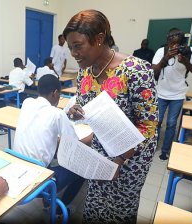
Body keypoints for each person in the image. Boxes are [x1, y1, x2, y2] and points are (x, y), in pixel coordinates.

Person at [63, 9, 158, 223]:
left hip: (131, 160)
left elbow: (149, 127)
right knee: (95, 204)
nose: (74, 54)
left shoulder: (136, 70)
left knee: (119, 211)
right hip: (101, 153)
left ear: (99, 39)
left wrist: (120, 159)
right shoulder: (85, 71)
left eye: (78, 46)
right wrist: (76, 111)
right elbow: (87, 105)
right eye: (70, 48)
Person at [13, 74, 87, 214]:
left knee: (53, 152)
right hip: (37, 180)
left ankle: (49, 199)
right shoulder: (57, 114)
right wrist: (91, 137)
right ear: (55, 93)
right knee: (81, 169)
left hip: (17, 168)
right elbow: (74, 145)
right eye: (59, 95)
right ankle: (59, 209)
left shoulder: (27, 102)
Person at [152, 28, 192, 161]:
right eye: (171, 43)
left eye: (177, 44)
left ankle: (165, 150)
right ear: (167, 42)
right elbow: (153, 70)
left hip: (178, 94)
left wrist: (185, 61)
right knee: (156, 122)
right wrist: (166, 57)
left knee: (171, 123)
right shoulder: (161, 51)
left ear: (182, 43)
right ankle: (152, 147)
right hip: (161, 92)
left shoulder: (191, 52)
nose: (174, 46)